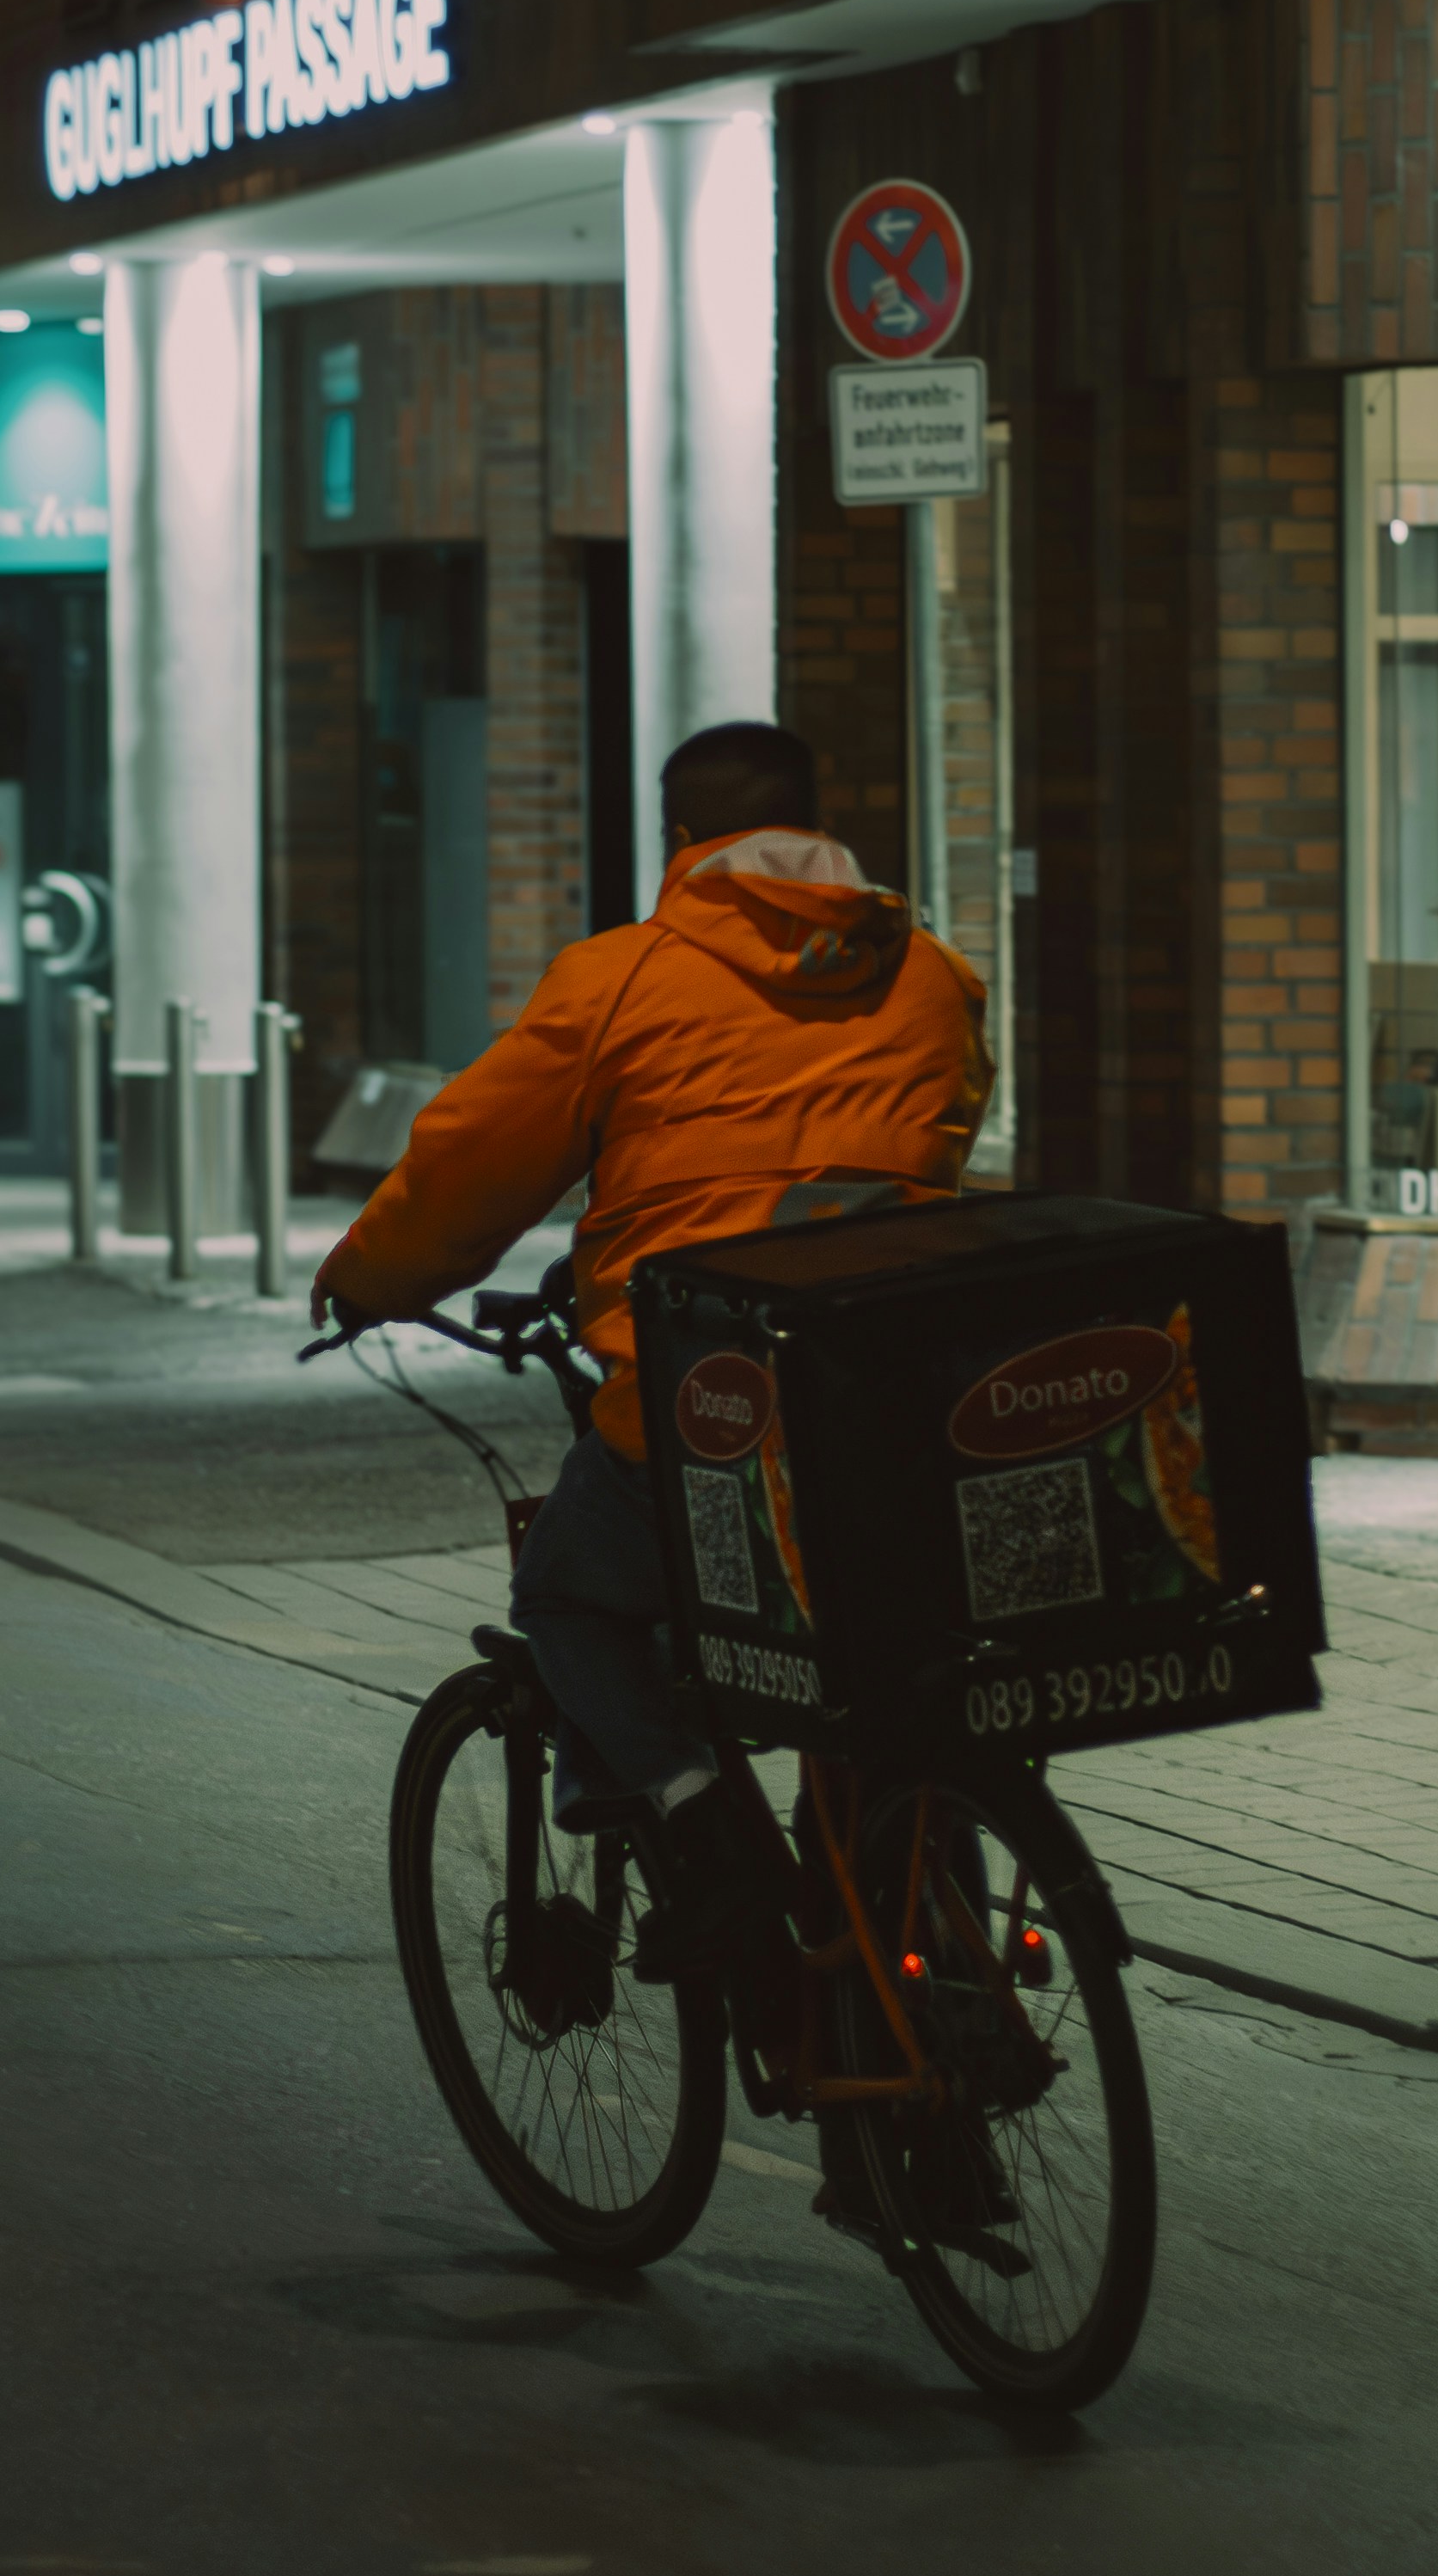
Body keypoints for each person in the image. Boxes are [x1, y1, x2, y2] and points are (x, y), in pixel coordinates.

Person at [312, 716, 991, 2002]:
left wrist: (367, 1277)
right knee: (884, 1666)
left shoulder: (623, 978)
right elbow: (898, 1149)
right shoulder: (936, 976)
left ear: (683, 842)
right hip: (899, 1398)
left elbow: (474, 1164)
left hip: (709, 1402)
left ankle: (700, 1824)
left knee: (570, 1596)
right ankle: (938, 1977)